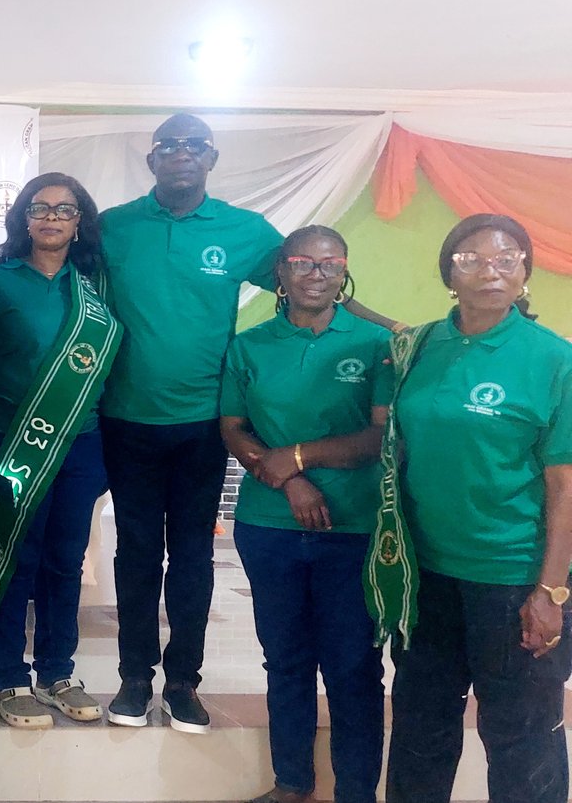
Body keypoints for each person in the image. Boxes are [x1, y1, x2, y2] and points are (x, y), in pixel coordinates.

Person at [98, 113, 285, 733]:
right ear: (152, 160)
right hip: (126, 420)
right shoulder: (114, 226)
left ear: (211, 159)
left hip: (205, 425)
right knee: (136, 553)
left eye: (195, 146)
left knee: (193, 556)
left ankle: (183, 683)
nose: (182, 154)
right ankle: (133, 679)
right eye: (170, 146)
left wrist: (392, 332)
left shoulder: (244, 230)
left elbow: (311, 280)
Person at [376, 214, 572, 803]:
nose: (491, 270)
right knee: (420, 727)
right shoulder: (417, 348)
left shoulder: (553, 359)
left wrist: (551, 592)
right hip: (425, 575)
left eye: (507, 259)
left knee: (521, 736)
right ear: (449, 274)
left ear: (525, 273)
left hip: (512, 580)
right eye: (472, 259)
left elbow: (565, 486)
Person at [219, 226, 389, 803]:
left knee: (353, 666)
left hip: (354, 528)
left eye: (329, 264)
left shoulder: (375, 344)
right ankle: (291, 784)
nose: (316, 275)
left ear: (344, 272)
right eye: (302, 263)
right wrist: (291, 480)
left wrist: (297, 456)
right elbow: (232, 428)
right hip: (268, 528)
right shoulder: (249, 346)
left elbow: (378, 436)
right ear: (281, 273)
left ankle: (356, 793)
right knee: (285, 660)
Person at [0, 174, 118, 729]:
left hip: (82, 442)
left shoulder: (96, 288)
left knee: (65, 560)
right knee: (12, 557)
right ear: (23, 218)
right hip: (11, 440)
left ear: (80, 221)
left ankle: (56, 672)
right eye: (39, 208)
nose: (51, 218)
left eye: (64, 209)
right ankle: (8, 678)